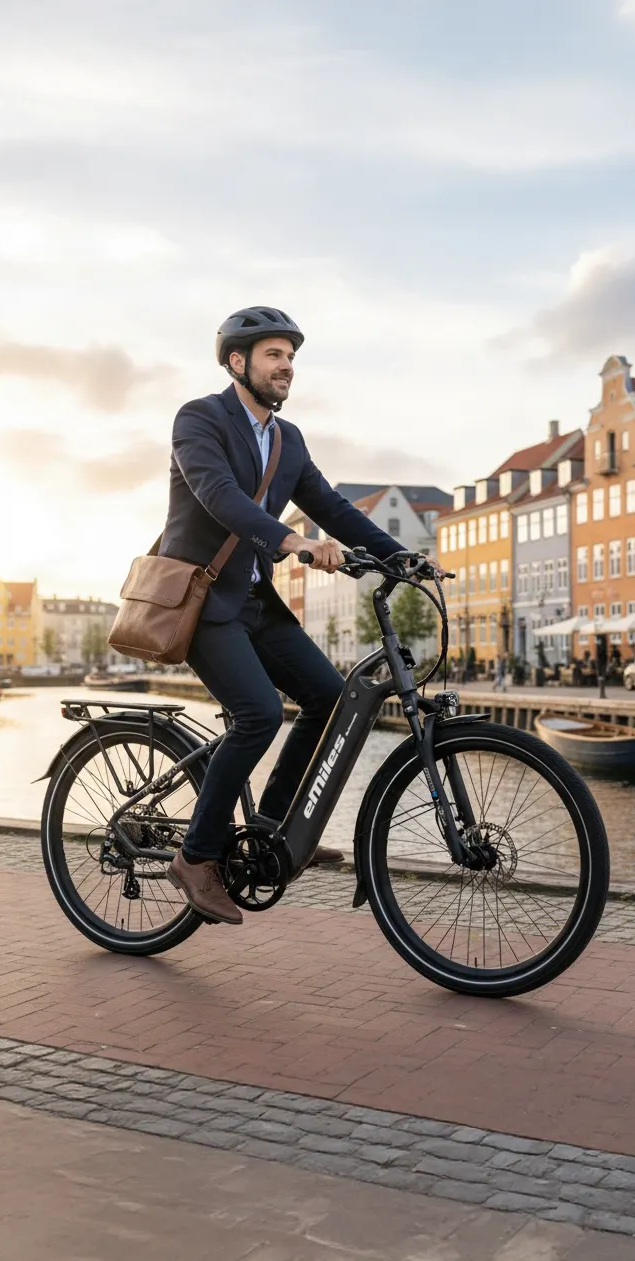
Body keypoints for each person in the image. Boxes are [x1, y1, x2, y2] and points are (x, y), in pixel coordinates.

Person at [162, 307, 429, 925]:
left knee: (331, 698)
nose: (286, 368)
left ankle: (268, 835)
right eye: (274, 356)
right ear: (237, 361)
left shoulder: (288, 440)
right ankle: (196, 857)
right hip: (202, 600)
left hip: (255, 600)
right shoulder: (199, 419)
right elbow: (220, 497)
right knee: (256, 715)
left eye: (291, 358)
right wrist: (294, 542)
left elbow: (330, 505)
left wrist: (403, 558)